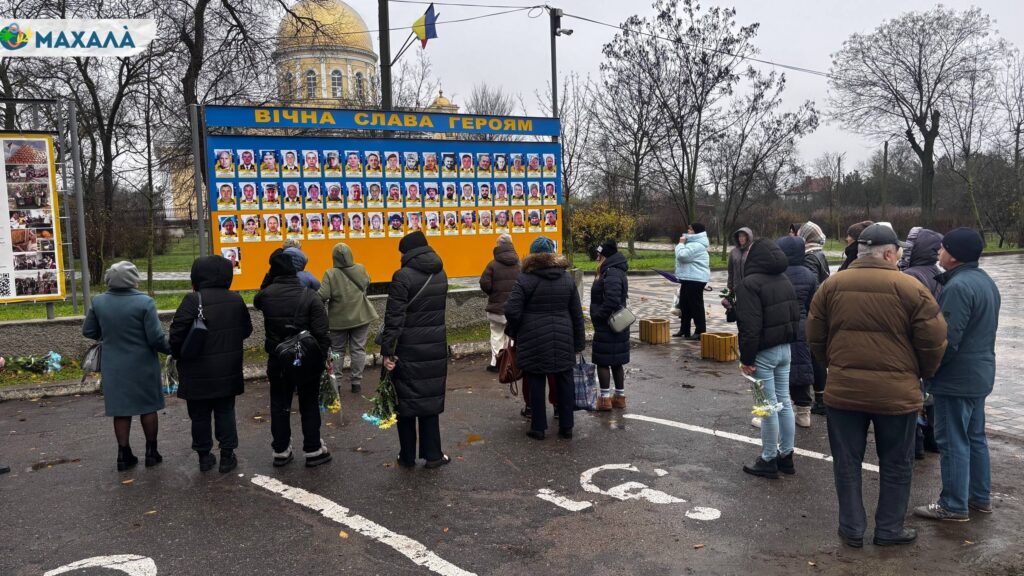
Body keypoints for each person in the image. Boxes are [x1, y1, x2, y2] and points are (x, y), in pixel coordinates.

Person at [807, 224, 948, 548]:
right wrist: (919, 374)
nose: (900, 257)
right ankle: (888, 529)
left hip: (844, 392)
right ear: (888, 253)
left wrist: (835, 364)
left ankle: (851, 528)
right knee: (897, 464)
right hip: (897, 395)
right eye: (897, 252)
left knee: (847, 462)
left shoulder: (832, 286)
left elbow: (814, 334)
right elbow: (934, 339)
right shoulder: (910, 288)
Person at [914, 228, 1001, 522]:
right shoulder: (985, 281)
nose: (939, 252)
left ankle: (953, 504)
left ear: (953, 255)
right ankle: (979, 497)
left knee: (953, 440)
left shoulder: (958, 287)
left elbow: (946, 341)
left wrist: (928, 369)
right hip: (979, 374)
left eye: (943, 248)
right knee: (975, 437)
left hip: (956, 378)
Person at [83, 261, 171, 471]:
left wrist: (108, 335)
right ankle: (151, 452)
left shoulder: (99, 302)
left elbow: (88, 331)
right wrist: (171, 350)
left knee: (121, 410)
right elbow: (155, 338)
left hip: (113, 365)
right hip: (143, 363)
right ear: (133, 279)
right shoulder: (145, 302)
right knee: (148, 407)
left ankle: (123, 455)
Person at [169, 256, 252, 473]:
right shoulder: (236, 300)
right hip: (228, 368)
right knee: (225, 411)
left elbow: (177, 334)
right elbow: (246, 330)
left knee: (199, 414)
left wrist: (178, 355)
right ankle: (227, 455)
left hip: (196, 369)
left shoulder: (192, 300)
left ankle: (204, 457)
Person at [380, 232, 450, 469]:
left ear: (407, 252)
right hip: (435, 347)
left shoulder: (402, 277)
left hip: (408, 349)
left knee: (406, 404)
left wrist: (387, 351)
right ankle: (433, 455)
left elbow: (394, 318)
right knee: (429, 402)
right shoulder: (441, 273)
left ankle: (407, 456)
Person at [255, 252, 332, 468]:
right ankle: (314, 449)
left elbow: (258, 297)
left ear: (273, 271)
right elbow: (322, 332)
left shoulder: (266, 296)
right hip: (306, 359)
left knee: (280, 403)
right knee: (309, 403)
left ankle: (280, 450)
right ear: (294, 270)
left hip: (278, 359)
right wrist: (323, 358)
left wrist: (269, 275)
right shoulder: (310, 296)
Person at [504, 237, 585, 440]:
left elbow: (512, 310)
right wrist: (579, 342)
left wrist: (517, 330)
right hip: (563, 337)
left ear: (532, 256)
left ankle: (538, 428)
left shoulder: (525, 279)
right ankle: (567, 426)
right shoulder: (566, 279)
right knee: (565, 380)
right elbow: (577, 313)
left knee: (536, 380)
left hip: (533, 339)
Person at [735, 239, 800, 478]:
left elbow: (750, 327)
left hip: (763, 353)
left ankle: (768, 458)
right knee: (784, 402)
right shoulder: (784, 279)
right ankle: (786, 456)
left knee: (766, 407)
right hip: (785, 349)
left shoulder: (749, 284)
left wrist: (747, 358)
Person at [901, 228, 943, 458]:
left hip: (912, 345)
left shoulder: (911, 276)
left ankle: (915, 443)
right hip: (930, 344)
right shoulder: (936, 272)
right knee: (929, 393)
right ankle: (932, 439)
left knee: (915, 395)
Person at [319, 243, 378, 394]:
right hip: (361, 316)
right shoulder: (360, 268)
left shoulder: (330, 273)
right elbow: (367, 282)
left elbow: (323, 295)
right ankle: (356, 383)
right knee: (358, 349)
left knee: (337, 350)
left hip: (338, 320)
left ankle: (337, 383)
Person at [777, 236, 818, 429]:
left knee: (778, 368)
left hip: (779, 324)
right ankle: (804, 413)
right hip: (802, 325)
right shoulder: (809, 275)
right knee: (802, 366)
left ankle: (777, 410)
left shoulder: (776, 273)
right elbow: (813, 303)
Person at [590, 240, 630, 411]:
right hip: (616, 322)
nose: (597, 258)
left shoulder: (611, 273)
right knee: (616, 361)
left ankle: (605, 399)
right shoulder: (613, 270)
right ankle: (619, 397)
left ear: (606, 255)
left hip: (609, 324)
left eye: (599, 255)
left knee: (603, 361)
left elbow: (612, 300)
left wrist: (598, 317)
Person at [797, 221, 831, 414]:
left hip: (812, 313)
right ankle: (821, 396)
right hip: (819, 312)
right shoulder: (820, 253)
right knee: (816, 356)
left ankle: (820, 398)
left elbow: (811, 287)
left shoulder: (809, 257)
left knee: (813, 356)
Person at [479, 234, 521, 372]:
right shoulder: (519, 264)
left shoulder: (492, 264)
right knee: (511, 336)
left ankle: (496, 364)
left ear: (498, 245)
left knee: (497, 335)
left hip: (496, 308)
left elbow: (484, 283)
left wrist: (493, 292)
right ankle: (511, 362)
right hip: (514, 309)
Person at [673, 223, 710, 340]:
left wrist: (680, 244)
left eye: (690, 229)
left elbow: (682, 256)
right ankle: (684, 329)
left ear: (696, 231)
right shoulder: (692, 243)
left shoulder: (697, 244)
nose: (688, 231)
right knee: (684, 304)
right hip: (689, 278)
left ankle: (700, 331)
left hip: (696, 279)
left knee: (696, 306)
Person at [727, 227, 754, 292]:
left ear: (748, 237)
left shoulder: (753, 251)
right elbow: (730, 270)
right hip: (737, 286)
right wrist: (730, 285)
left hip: (750, 286)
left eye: (743, 236)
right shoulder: (733, 252)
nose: (741, 238)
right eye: (739, 236)